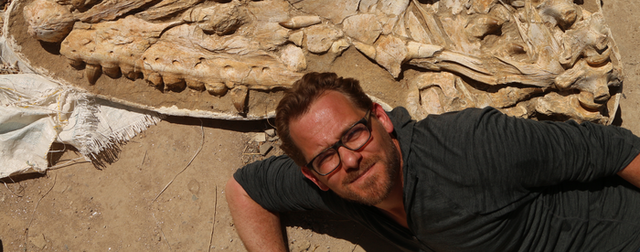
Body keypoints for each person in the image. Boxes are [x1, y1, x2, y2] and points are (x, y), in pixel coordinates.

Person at [226, 72, 640, 252]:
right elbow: (243, 189)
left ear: (381, 118)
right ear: (312, 176)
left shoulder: (469, 146)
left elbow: (613, 149)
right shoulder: (336, 183)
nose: (349, 160)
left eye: (353, 133)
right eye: (326, 157)